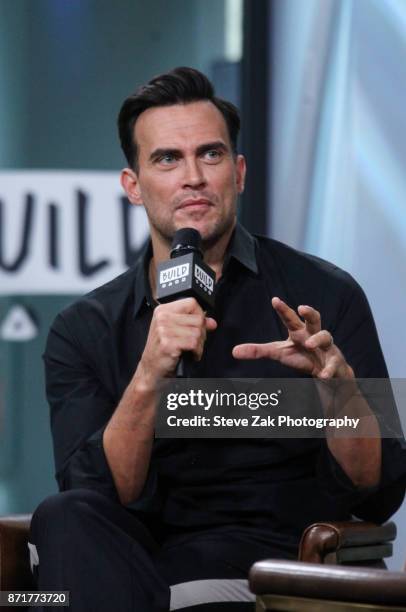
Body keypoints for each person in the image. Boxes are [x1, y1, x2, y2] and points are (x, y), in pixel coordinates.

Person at [30, 67, 406, 612]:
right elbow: (98, 493)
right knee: (61, 523)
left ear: (239, 172)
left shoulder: (322, 295)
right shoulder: (84, 328)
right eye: (166, 159)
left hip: (273, 563)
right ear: (133, 186)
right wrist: (149, 372)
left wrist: (340, 392)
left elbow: (377, 489)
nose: (194, 177)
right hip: (137, 566)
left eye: (211, 155)